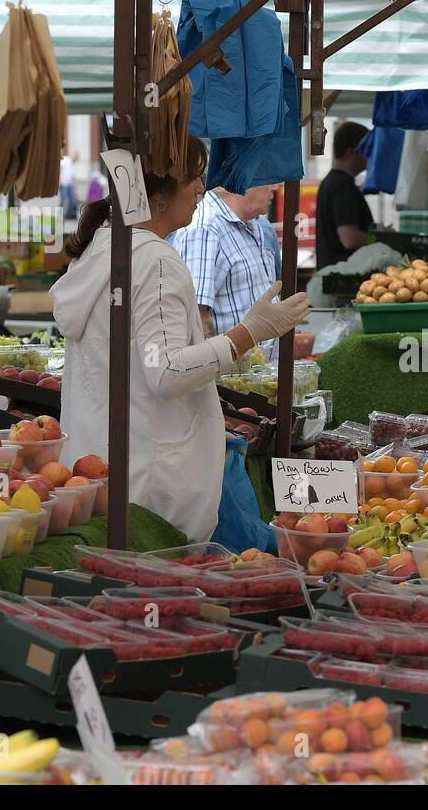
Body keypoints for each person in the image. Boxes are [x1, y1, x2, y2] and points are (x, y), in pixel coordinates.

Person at [52, 137, 309, 540]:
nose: (201, 189)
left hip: (98, 470)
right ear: (158, 195)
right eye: (194, 177)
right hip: (152, 490)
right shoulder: (154, 261)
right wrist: (249, 333)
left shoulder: (101, 250)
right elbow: (167, 371)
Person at [171, 183, 282, 363]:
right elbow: (196, 320)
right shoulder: (205, 229)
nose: (275, 187)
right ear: (243, 179)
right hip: (231, 382)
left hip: (253, 378)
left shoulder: (253, 224)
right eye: (267, 178)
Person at [314, 122, 373, 270]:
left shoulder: (332, 182)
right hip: (342, 281)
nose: (370, 155)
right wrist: (383, 238)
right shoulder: (341, 185)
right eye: (366, 149)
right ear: (351, 152)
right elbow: (349, 238)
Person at [59, 151, 78, 221]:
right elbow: (60, 168)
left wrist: (75, 189)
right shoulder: (67, 160)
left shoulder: (74, 165)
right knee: (64, 199)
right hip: (63, 183)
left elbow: (73, 178)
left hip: (69, 184)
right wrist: (60, 180)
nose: (75, 158)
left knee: (71, 200)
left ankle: (68, 215)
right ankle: (59, 214)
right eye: (75, 156)